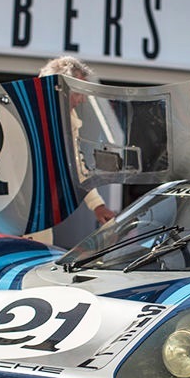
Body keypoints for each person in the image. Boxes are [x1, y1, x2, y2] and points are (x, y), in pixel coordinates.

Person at [28, 56, 116, 244]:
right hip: (14, 213)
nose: (82, 99)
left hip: (38, 216)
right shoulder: (27, 115)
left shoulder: (68, 118)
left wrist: (97, 205)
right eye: (78, 92)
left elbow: (76, 165)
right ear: (58, 89)